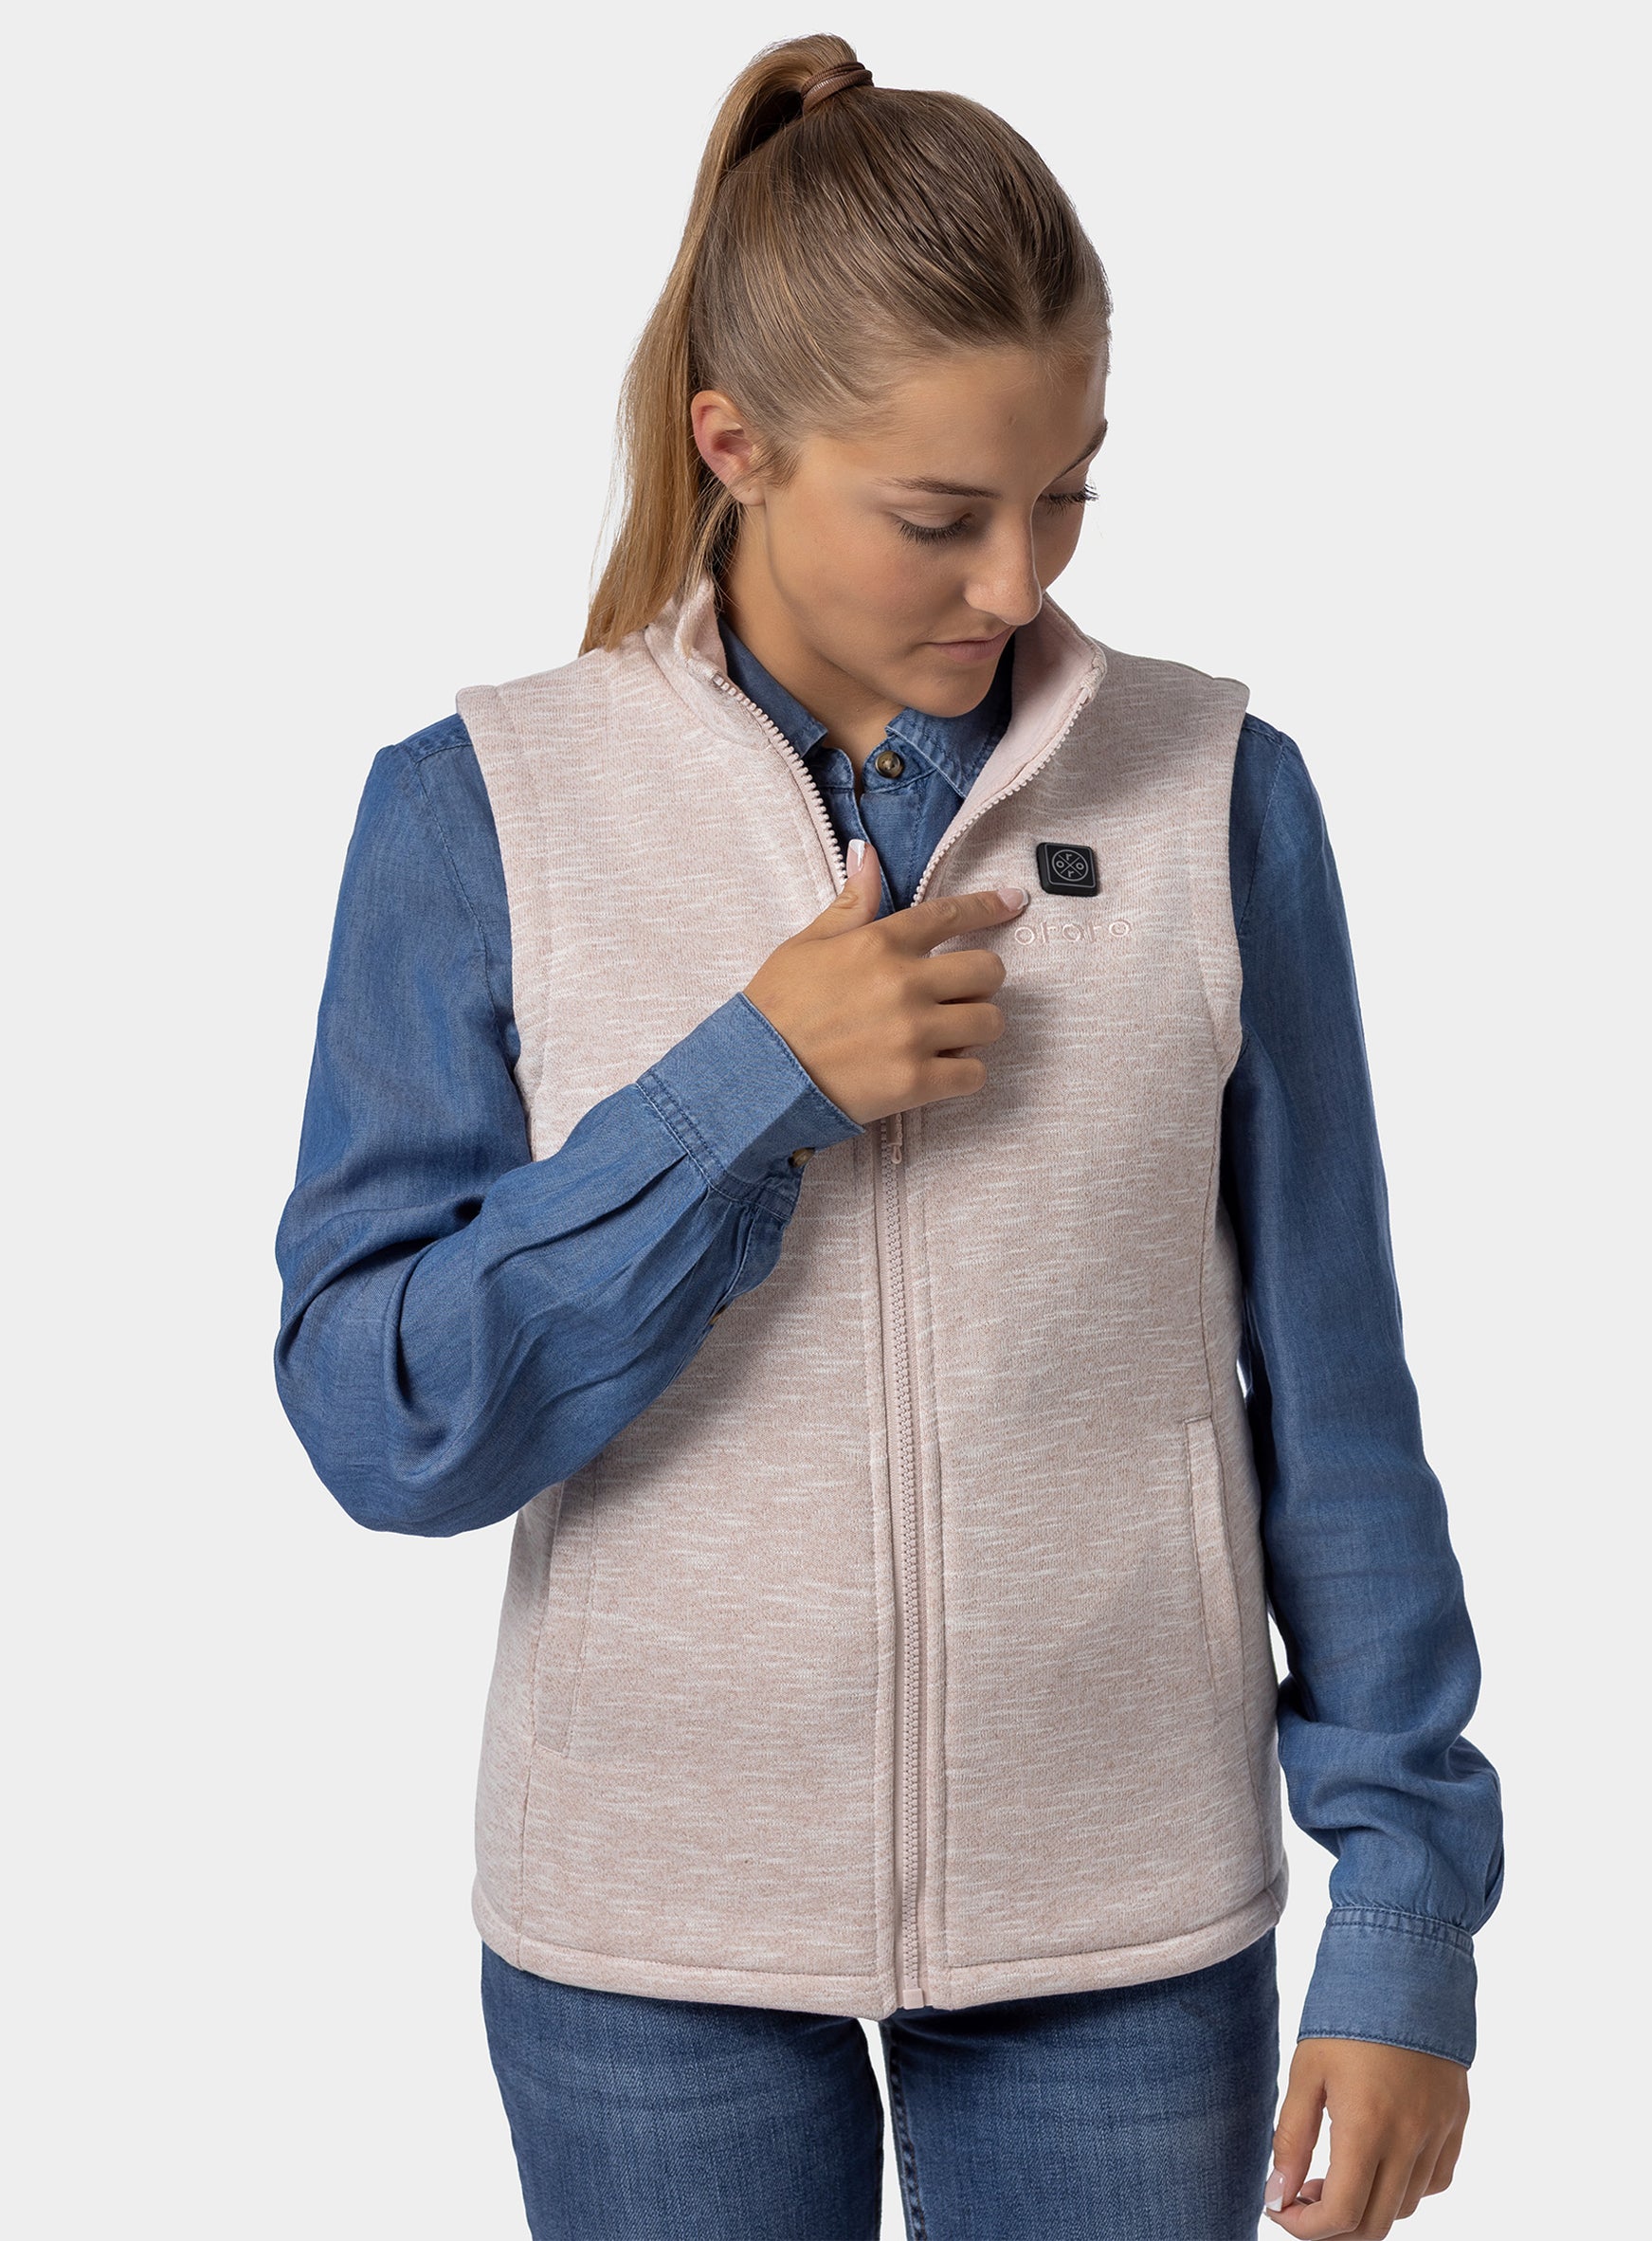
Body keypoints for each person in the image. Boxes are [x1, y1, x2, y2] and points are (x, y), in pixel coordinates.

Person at [274, 34, 1502, 2241]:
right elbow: (387, 1426)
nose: (1014, 582)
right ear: (732, 446)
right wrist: (743, 1088)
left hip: (1122, 1918)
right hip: (646, 1929)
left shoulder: (1220, 795)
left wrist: (1406, 1910)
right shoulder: (481, 812)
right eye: (939, 517)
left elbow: (1336, 1403)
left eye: (1068, 496)